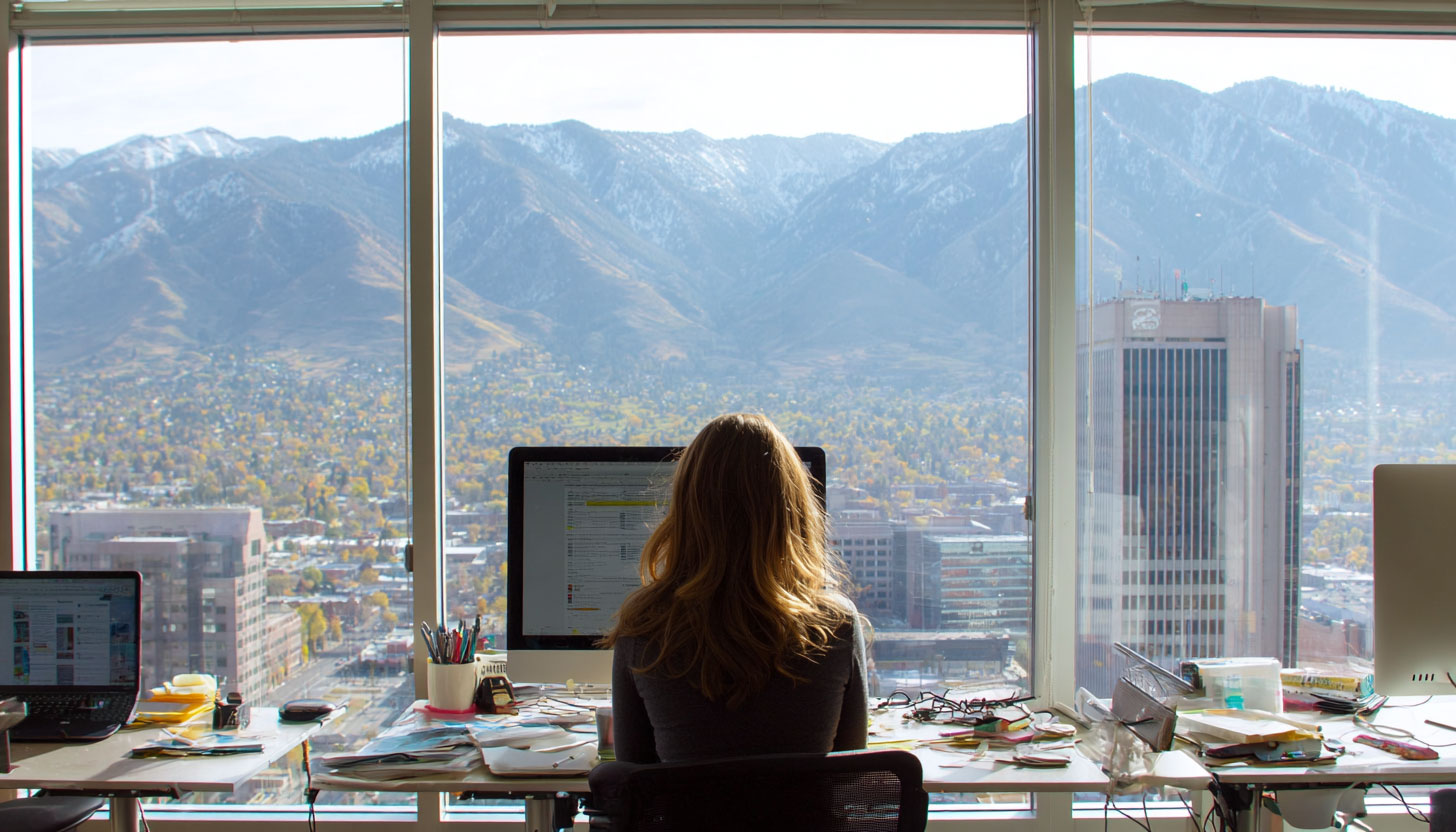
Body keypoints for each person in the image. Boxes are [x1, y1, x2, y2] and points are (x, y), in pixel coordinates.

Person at [600, 412, 868, 764]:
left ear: (686, 508)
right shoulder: (836, 624)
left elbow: (632, 776)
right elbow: (852, 766)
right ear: (794, 508)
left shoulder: (644, 627)